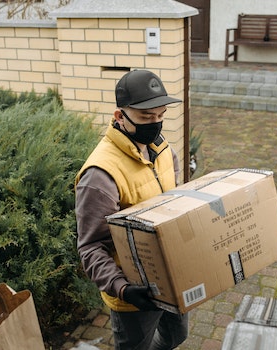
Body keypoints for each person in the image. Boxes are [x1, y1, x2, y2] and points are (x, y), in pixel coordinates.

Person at [74, 69, 189, 350]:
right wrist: (122, 288)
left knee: (177, 336)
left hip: (172, 276)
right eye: (146, 118)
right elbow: (90, 247)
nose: (156, 124)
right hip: (133, 293)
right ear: (119, 117)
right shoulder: (100, 175)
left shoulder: (163, 150)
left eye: (161, 115)